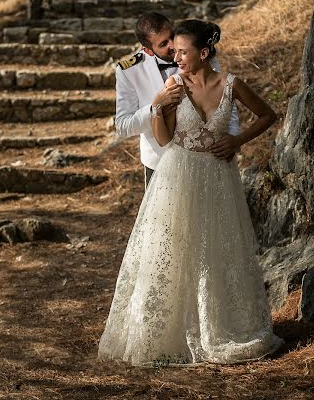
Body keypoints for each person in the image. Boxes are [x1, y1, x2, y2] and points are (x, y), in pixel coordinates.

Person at [99, 19, 283, 366]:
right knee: (172, 249)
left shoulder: (230, 84)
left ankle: (218, 325)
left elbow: (267, 114)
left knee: (216, 249)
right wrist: (157, 104)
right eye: (170, 48)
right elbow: (164, 138)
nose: (175, 54)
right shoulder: (168, 82)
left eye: (181, 50)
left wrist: (236, 141)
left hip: (218, 177)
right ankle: (167, 331)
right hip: (175, 174)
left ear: (201, 52)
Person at [115, 12, 240, 188]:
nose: (173, 45)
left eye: (171, 36)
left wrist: (233, 137)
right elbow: (122, 126)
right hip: (159, 162)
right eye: (163, 44)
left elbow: (224, 99)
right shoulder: (129, 71)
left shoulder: (198, 51)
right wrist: (155, 106)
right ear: (148, 50)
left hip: (206, 158)